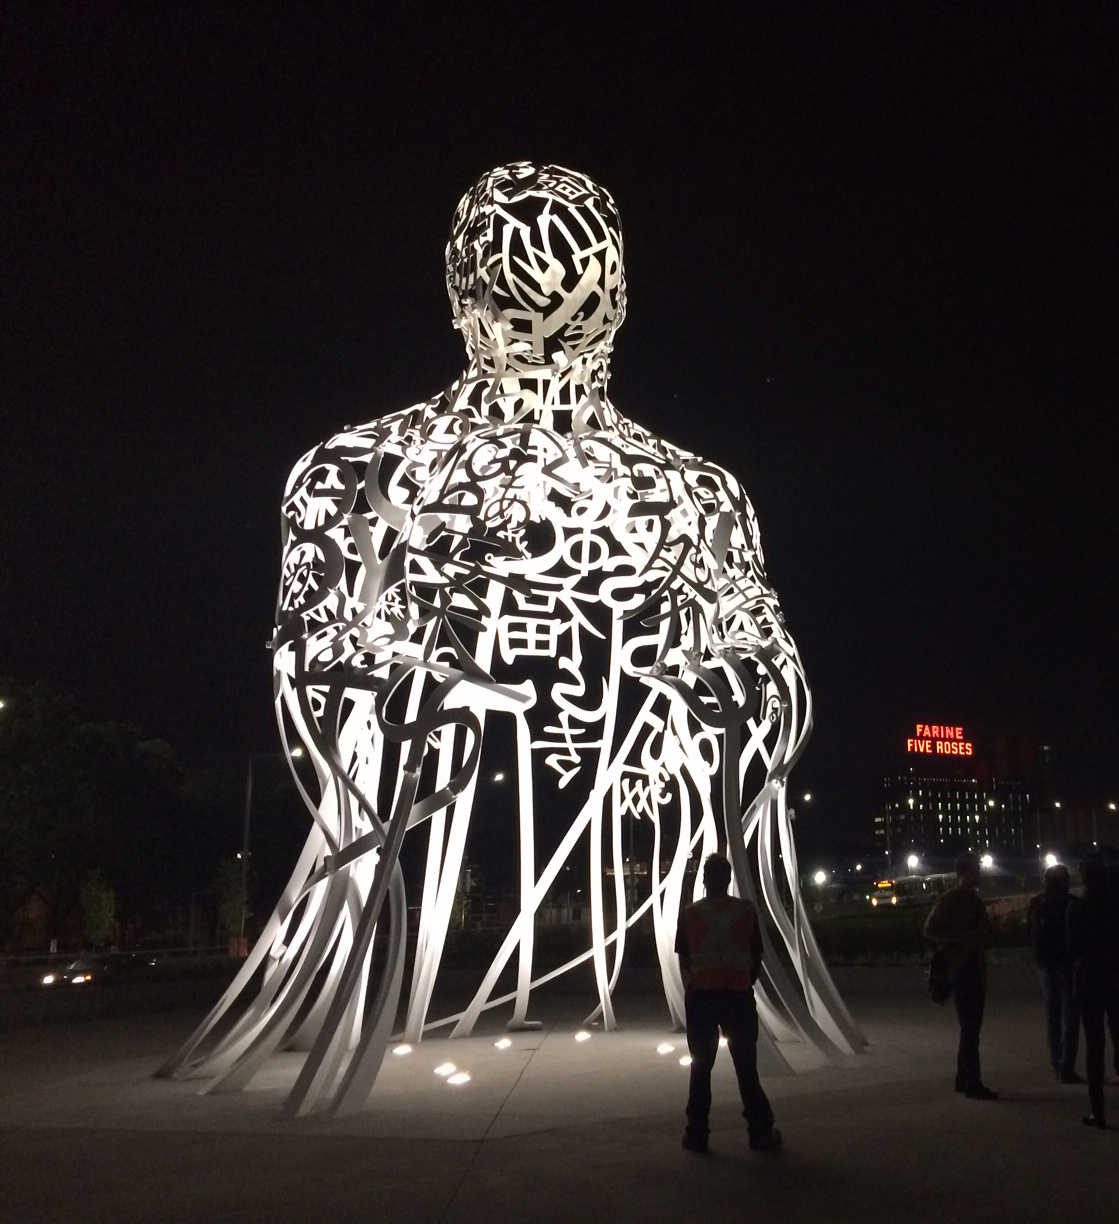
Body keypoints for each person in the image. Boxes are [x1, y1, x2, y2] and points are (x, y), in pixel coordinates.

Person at [675, 853, 781, 1154]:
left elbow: (685, 959)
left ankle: (697, 1134)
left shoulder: (690, 914)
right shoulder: (746, 911)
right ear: (729, 879)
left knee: (700, 1068)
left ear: (705, 881)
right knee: (746, 1069)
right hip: (737, 999)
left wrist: (701, 980)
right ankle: (760, 1132)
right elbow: (756, 956)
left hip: (702, 1000)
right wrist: (744, 982)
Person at [924, 851, 997, 1099]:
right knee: (970, 1028)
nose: (978, 874)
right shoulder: (948, 901)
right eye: (974, 870)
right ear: (961, 873)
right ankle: (972, 1082)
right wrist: (963, 937)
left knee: (970, 1028)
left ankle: (963, 1078)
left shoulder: (974, 901)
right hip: (961, 968)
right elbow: (930, 930)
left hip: (972, 966)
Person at [1067, 854, 1119, 1128]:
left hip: (1090, 978)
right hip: (1115, 973)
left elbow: (1072, 947)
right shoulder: (1114, 905)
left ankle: (1097, 1110)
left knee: (1094, 1044)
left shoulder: (1078, 907)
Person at [1027, 863, 1081, 1081]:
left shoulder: (1038, 903)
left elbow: (1030, 932)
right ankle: (1066, 1065)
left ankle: (1056, 1060)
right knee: (1070, 1016)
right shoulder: (1072, 903)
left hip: (1046, 965)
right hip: (1067, 964)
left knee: (1053, 1014)